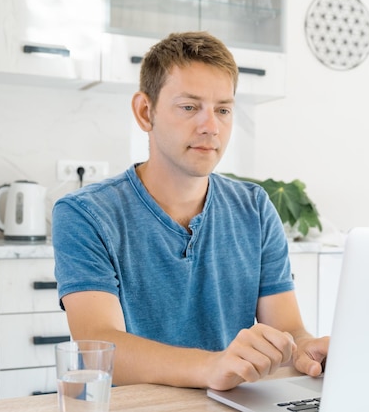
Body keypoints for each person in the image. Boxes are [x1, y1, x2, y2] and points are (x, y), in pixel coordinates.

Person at [52, 31, 329, 391]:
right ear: (145, 111)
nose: (210, 126)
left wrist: (305, 349)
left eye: (223, 110)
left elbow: (287, 329)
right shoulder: (85, 214)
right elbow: (99, 348)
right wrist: (213, 366)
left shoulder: (255, 207)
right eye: (189, 107)